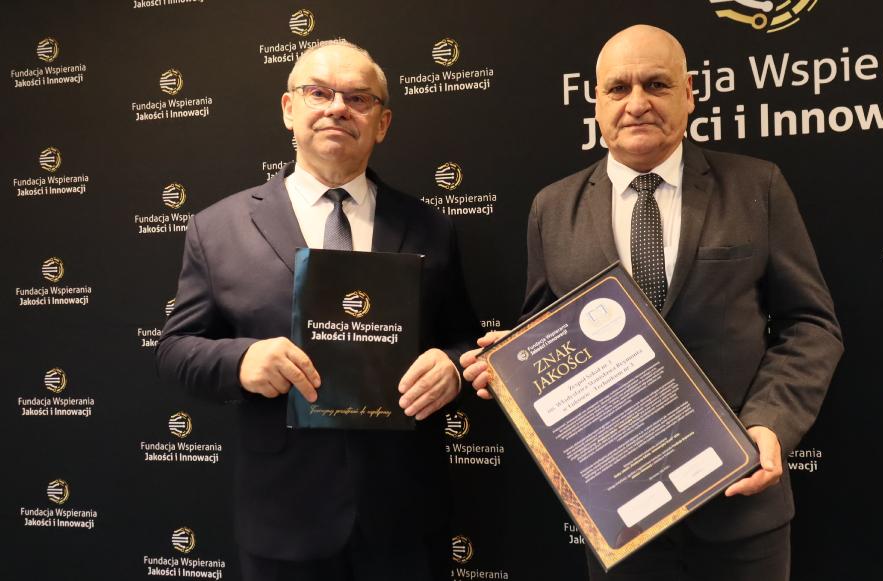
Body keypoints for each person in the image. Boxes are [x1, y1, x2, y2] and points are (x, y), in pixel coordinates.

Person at [460, 25, 842, 581]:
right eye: (618, 88)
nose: (636, 103)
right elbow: (544, 327)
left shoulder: (756, 185)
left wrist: (769, 425)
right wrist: (514, 361)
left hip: (740, 507)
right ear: (596, 102)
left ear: (688, 93)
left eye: (656, 84)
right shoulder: (552, 208)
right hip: (620, 518)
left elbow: (810, 324)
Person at [157, 40, 478, 581]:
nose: (338, 108)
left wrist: (452, 367)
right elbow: (173, 351)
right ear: (289, 109)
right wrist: (242, 361)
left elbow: (466, 340)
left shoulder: (431, 227)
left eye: (358, 98)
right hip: (283, 518)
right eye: (319, 93)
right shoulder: (218, 228)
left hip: (404, 518)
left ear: (382, 123)